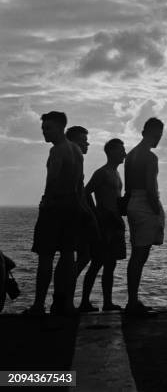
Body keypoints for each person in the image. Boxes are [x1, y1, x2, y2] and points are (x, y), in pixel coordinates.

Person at [24, 111, 83, 316]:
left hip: (55, 207)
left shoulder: (57, 150)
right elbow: (78, 183)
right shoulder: (76, 150)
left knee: (46, 256)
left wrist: (45, 202)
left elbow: (53, 180)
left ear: (60, 128)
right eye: (43, 128)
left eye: (48, 128)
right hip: (72, 207)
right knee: (68, 256)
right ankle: (67, 304)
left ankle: (38, 305)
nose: (44, 132)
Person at [78, 139, 127, 312]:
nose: (124, 153)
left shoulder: (116, 173)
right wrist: (96, 213)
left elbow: (115, 197)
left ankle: (108, 302)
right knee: (97, 262)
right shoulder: (102, 173)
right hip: (104, 223)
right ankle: (84, 301)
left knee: (111, 264)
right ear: (111, 151)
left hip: (116, 222)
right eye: (121, 150)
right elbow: (86, 192)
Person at [124, 118, 165, 316]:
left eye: (159, 135)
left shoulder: (130, 155)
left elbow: (127, 188)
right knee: (140, 256)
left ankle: (132, 299)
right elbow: (150, 187)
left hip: (133, 202)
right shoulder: (150, 158)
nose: (157, 139)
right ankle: (132, 302)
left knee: (136, 256)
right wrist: (156, 210)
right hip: (145, 204)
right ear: (145, 133)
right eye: (155, 135)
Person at [67, 126, 101, 280]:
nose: (87, 144)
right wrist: (89, 214)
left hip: (79, 212)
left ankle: (65, 295)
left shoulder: (75, 160)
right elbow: (77, 191)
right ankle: (64, 294)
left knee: (82, 255)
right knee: (82, 255)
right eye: (84, 141)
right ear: (73, 142)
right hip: (77, 214)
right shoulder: (73, 159)